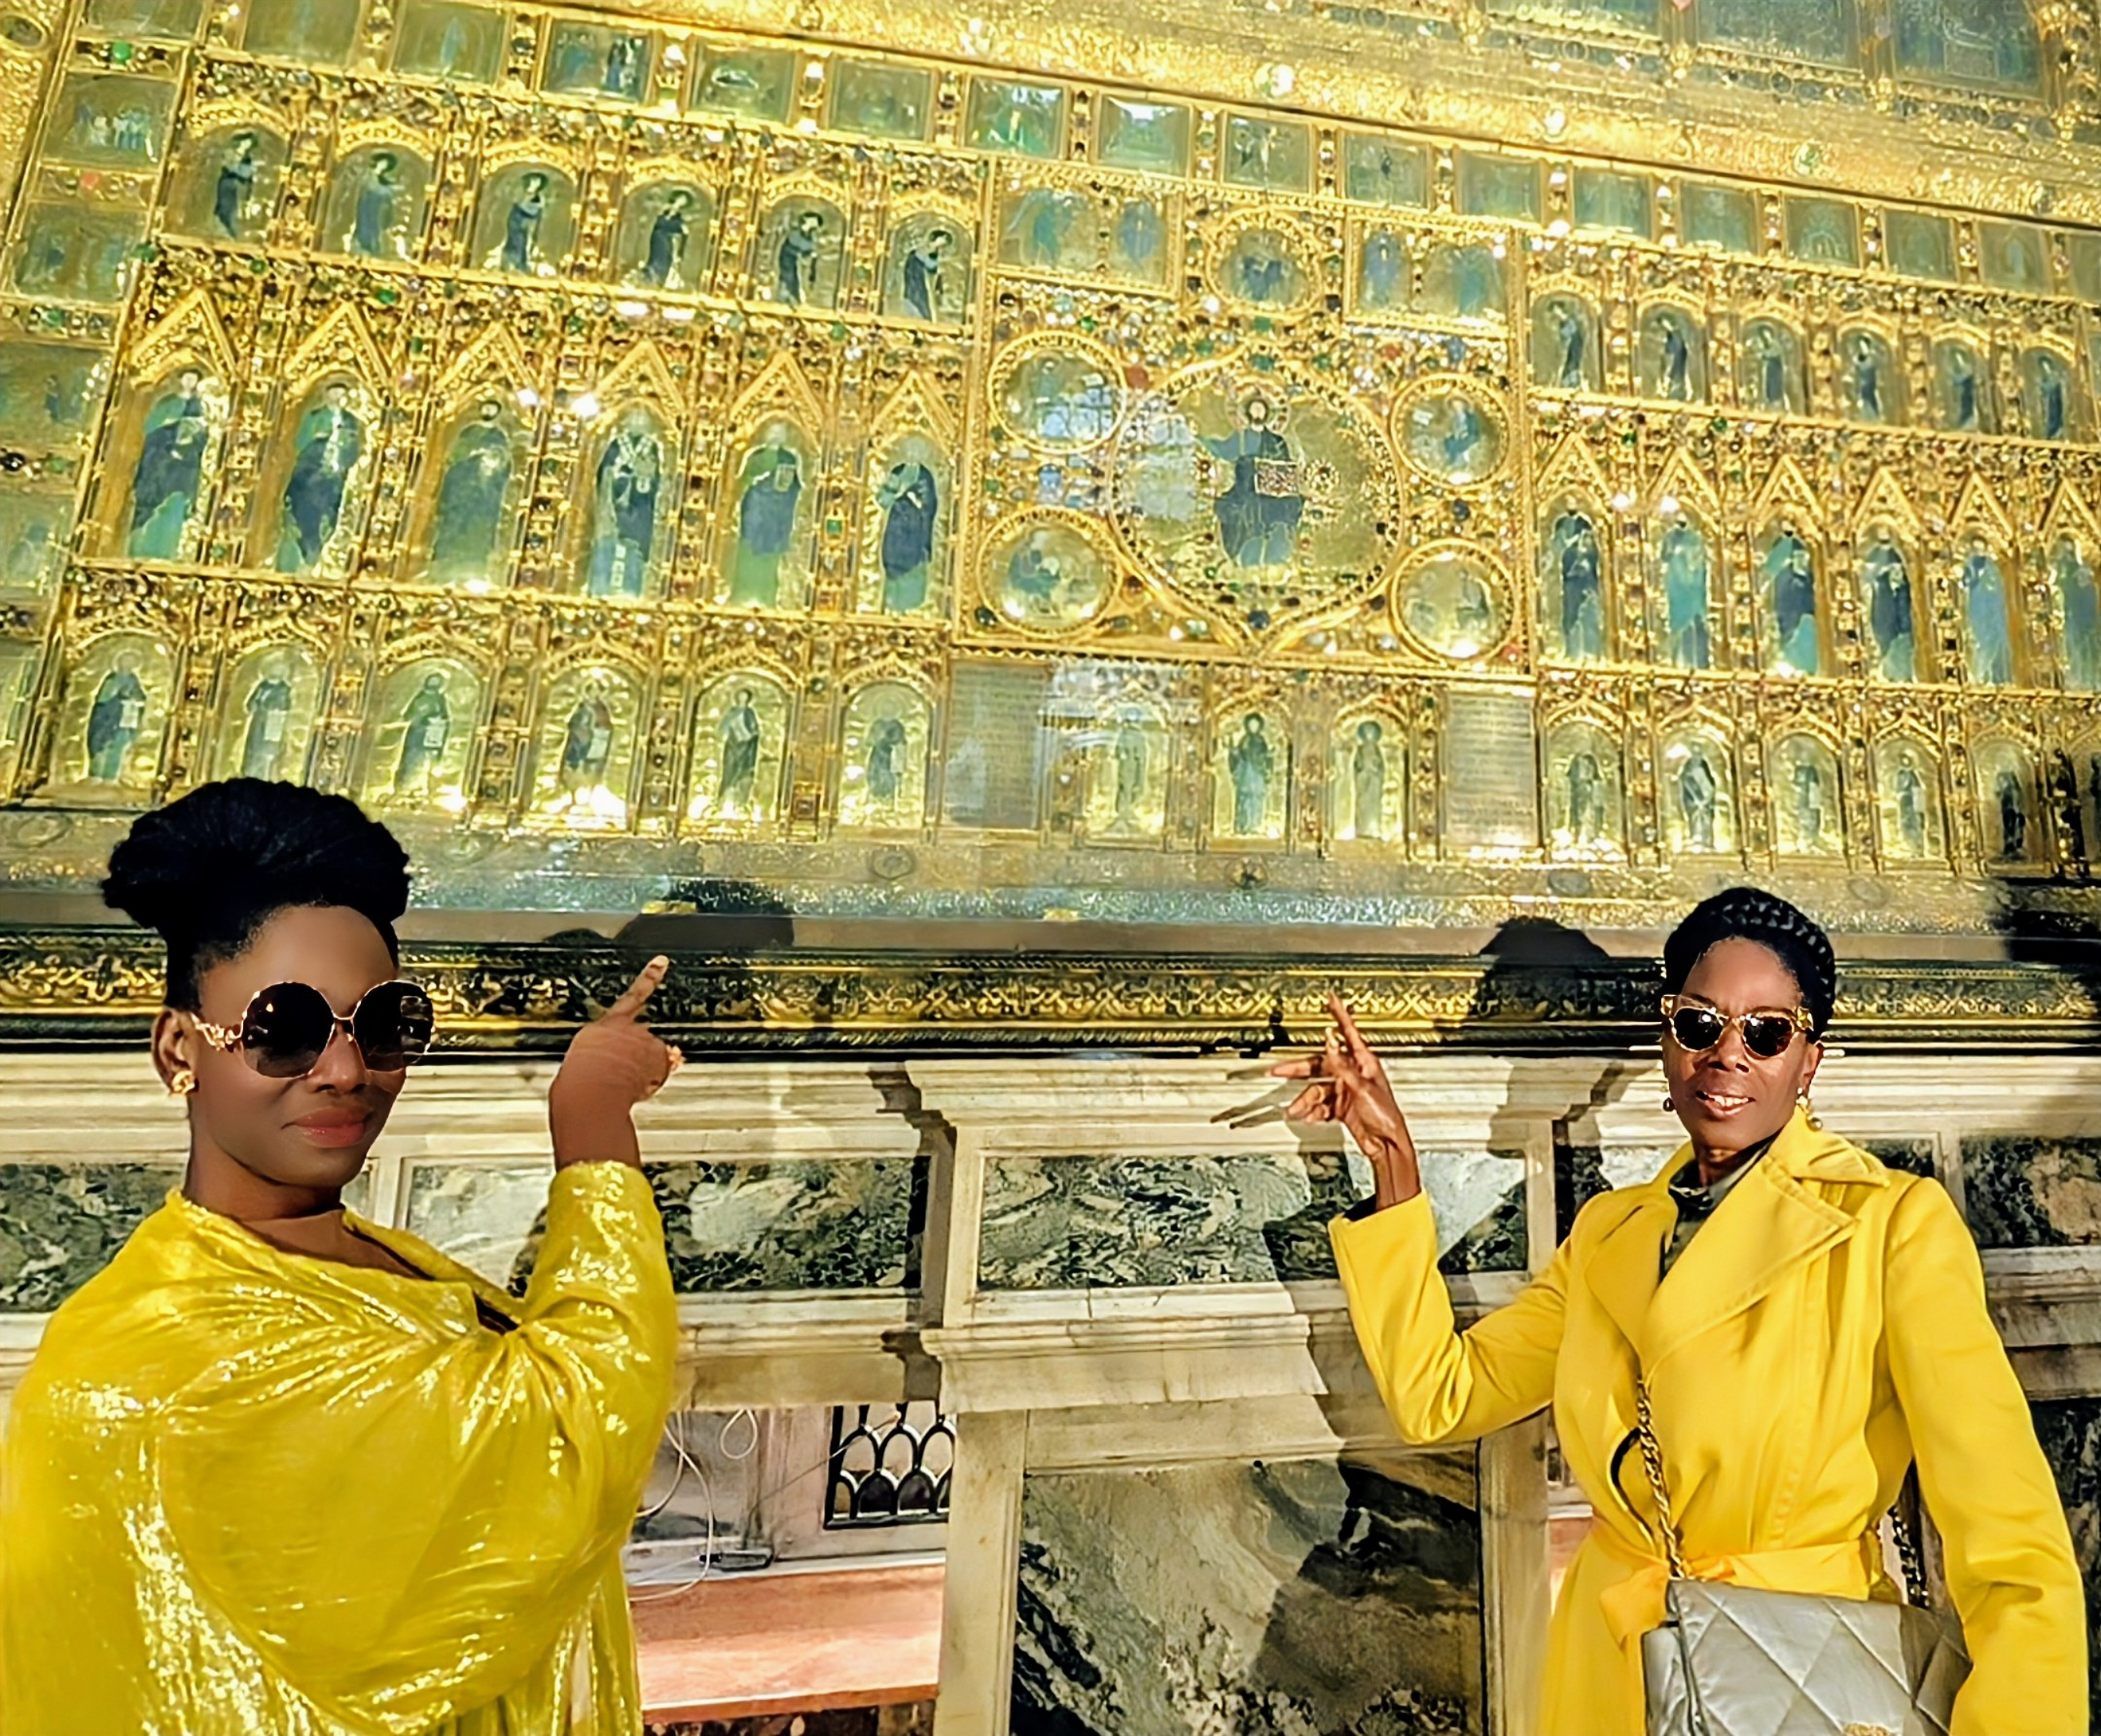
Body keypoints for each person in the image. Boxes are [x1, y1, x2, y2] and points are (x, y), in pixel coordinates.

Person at [1274, 887, 2084, 1736]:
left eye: (1767, 1032)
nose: (1728, 1055)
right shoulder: (1610, 1236)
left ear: (1808, 1062)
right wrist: (1394, 1162)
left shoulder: (1888, 1227)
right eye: (1700, 1024)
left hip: (1799, 1675)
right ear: (1668, 1042)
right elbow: (1441, 1393)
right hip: (1611, 1675)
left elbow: (2014, 1546)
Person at [0, 779, 681, 1732]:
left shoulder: (363, 1256)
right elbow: (575, 1434)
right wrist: (592, 1118)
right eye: (285, 1028)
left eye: (385, 1024)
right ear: (177, 1052)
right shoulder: (175, 1363)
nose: (346, 1069)